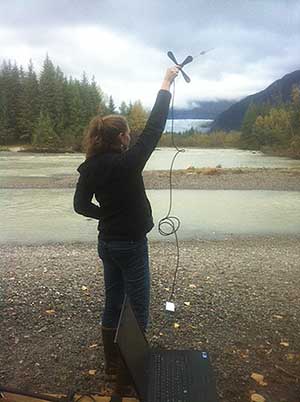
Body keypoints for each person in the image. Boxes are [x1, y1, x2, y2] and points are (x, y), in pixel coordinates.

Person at [73, 65, 180, 396]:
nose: (132, 136)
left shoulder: (90, 167)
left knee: (113, 299)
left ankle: (111, 363)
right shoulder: (127, 162)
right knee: (139, 306)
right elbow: (155, 128)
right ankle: (132, 371)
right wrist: (165, 82)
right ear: (120, 137)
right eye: (127, 133)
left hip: (106, 243)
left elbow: (80, 206)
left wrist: (106, 214)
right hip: (132, 245)